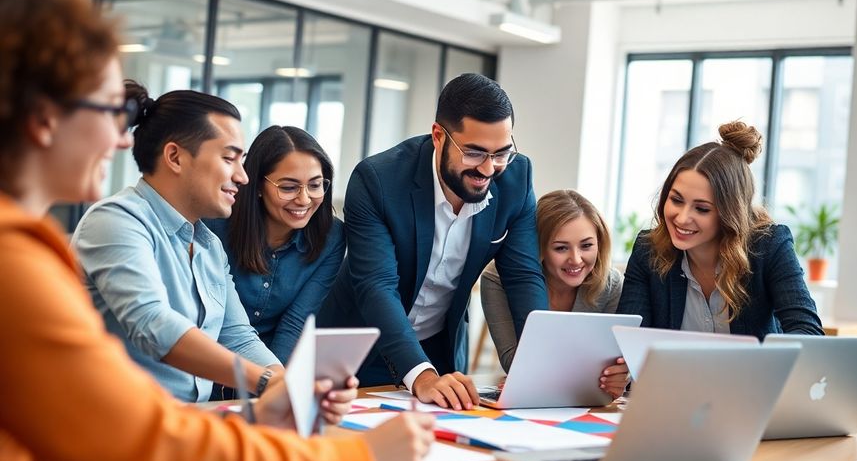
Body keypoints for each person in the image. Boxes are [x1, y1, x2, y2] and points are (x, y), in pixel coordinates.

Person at [0, 0, 433, 461]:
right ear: (46, 118)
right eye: (108, 112)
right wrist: (356, 457)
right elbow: (149, 419)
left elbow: (234, 333)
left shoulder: (204, 242)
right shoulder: (40, 251)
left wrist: (284, 386)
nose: (121, 139)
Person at [318, 73, 548, 409]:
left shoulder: (516, 178)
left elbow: (523, 275)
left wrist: (541, 366)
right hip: (359, 350)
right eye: (474, 153)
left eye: (501, 153)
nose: (488, 169)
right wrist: (421, 375)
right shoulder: (378, 181)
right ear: (439, 136)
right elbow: (377, 285)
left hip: (439, 353)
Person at [70, 80, 286, 403]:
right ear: (175, 157)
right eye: (230, 159)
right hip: (118, 428)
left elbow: (237, 337)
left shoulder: (210, 247)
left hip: (190, 423)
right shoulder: (116, 220)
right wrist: (267, 382)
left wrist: (290, 384)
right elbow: (153, 324)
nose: (243, 176)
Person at [616, 121, 824, 338]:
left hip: (753, 373)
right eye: (676, 200)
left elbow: (808, 334)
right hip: (674, 374)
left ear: (729, 213)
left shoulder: (769, 247)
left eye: (702, 209)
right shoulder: (648, 250)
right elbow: (630, 338)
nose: (682, 218)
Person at [207, 125, 344, 364]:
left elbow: (296, 323)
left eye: (315, 185)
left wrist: (273, 386)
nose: (304, 199)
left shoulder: (331, 236)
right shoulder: (215, 225)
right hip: (210, 363)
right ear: (258, 185)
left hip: (274, 365)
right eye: (289, 187)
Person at [481, 189, 628, 397]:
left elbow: (616, 364)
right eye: (561, 248)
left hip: (586, 401)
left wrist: (621, 375)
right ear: (537, 248)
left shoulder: (611, 284)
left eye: (586, 246)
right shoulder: (497, 279)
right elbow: (514, 362)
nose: (576, 259)